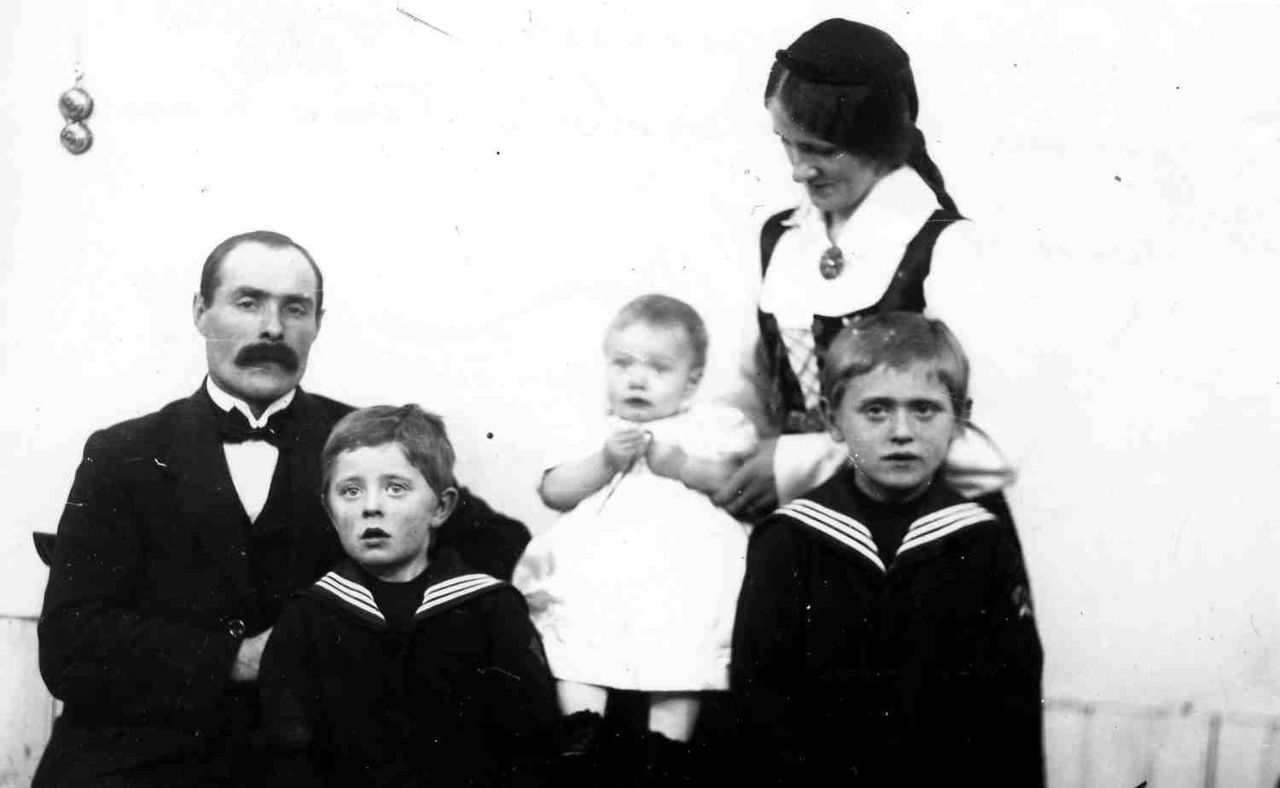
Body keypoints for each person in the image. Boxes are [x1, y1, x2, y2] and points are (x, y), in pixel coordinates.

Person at [34, 230, 528, 786]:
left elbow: (502, 549)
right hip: (141, 758)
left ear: (317, 323)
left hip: (320, 760)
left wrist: (379, 635)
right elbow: (70, 644)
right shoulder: (121, 453)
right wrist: (238, 656)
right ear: (200, 311)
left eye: (295, 309)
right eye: (248, 303)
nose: (273, 328)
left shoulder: (369, 445)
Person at [716, 18, 1014, 520]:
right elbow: (746, 391)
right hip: (808, 528)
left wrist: (798, 464)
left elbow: (988, 448)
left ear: (878, 140)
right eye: (786, 142)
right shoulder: (779, 238)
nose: (797, 169)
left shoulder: (945, 248)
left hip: (926, 533)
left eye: (819, 149)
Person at [730, 312, 1043, 785]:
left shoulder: (981, 541)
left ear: (960, 420)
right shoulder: (790, 540)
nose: (902, 431)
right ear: (833, 420)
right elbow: (761, 704)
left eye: (925, 410)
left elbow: (1011, 712)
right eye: (876, 410)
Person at [515, 294, 755, 784]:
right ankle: (583, 730)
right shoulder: (595, 429)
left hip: (681, 568)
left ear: (692, 380)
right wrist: (604, 462)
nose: (637, 380)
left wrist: (682, 465)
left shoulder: (709, 426)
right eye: (623, 364)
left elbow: (735, 483)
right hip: (599, 565)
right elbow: (554, 490)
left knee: (685, 637)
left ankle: (666, 747)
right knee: (578, 622)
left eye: (658, 368)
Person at [257, 405, 558, 786]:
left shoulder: (490, 608)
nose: (371, 507)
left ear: (441, 507)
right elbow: (288, 755)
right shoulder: (308, 616)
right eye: (350, 491)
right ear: (330, 513)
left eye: (395, 488)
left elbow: (532, 744)